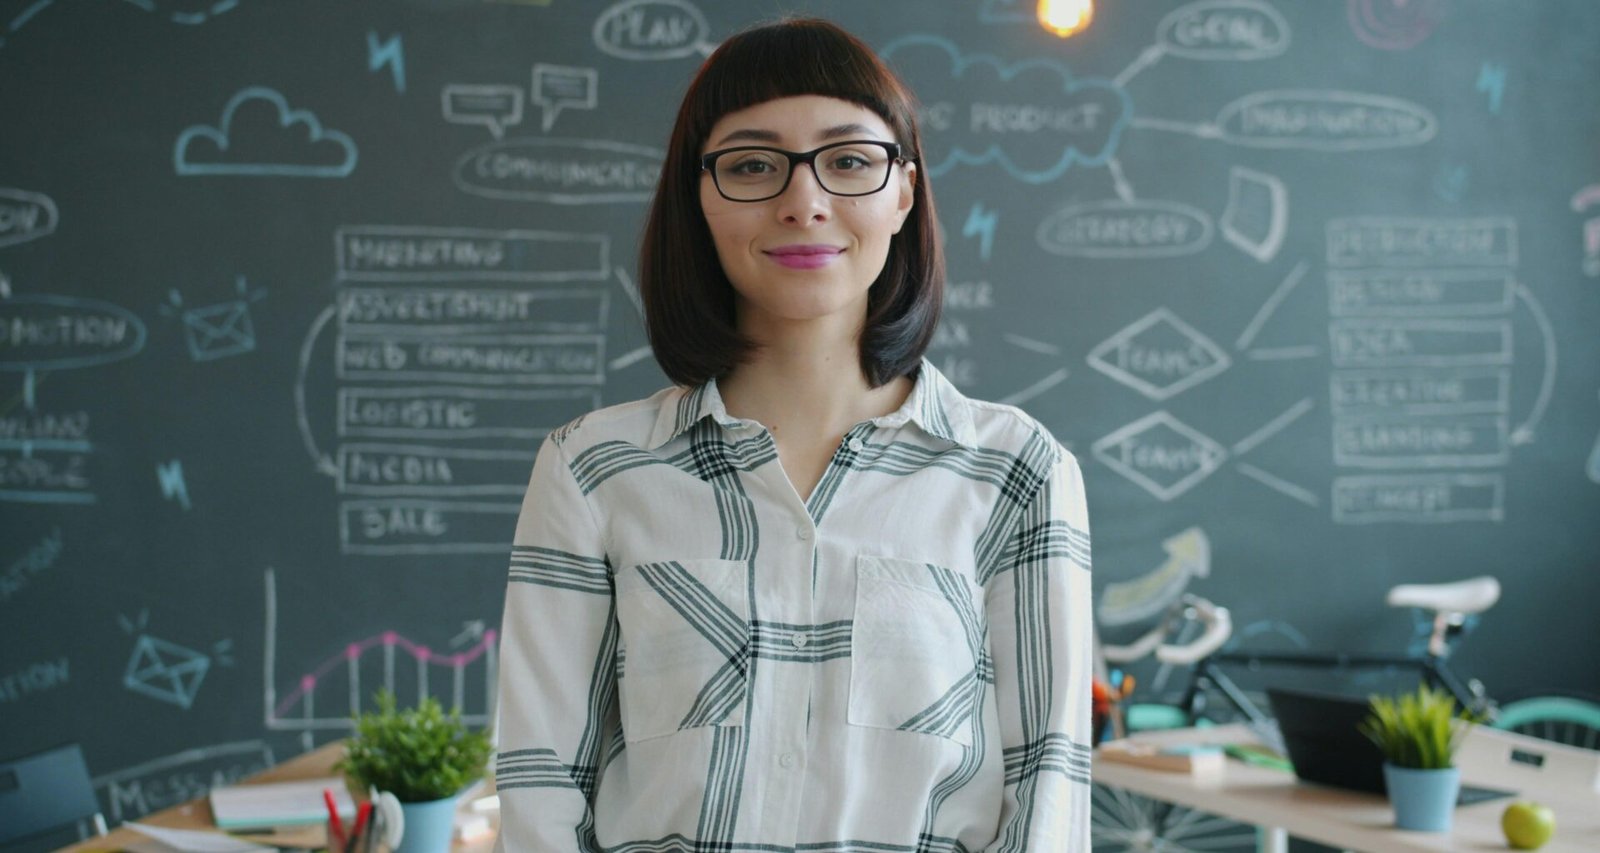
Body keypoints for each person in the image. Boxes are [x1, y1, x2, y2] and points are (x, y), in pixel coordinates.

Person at [494, 17, 1092, 852]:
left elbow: (1047, 795)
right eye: (750, 165)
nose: (803, 201)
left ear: (905, 192)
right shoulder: (593, 470)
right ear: (699, 199)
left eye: (849, 161)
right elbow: (540, 787)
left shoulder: (1016, 473)